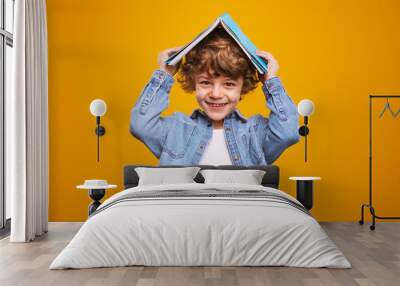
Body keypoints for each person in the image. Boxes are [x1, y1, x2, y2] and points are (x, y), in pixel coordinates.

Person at [130, 28, 299, 166]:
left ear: (243, 86)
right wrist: (164, 74)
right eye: (205, 82)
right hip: (185, 208)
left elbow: (287, 133)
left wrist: (270, 80)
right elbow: (140, 125)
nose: (216, 94)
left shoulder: (254, 132)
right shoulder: (176, 129)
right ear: (193, 82)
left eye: (229, 84)